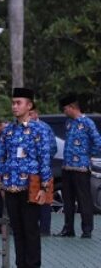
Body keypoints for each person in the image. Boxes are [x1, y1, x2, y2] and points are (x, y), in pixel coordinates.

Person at [0, 88, 51, 268]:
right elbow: (3, 157)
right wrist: (2, 183)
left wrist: (45, 188)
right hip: (12, 186)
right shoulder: (8, 130)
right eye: (13, 103)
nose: (14, 106)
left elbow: (44, 159)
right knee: (18, 232)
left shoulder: (39, 129)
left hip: (31, 187)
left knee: (31, 231)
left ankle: (33, 265)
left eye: (18, 103)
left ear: (29, 105)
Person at [56, 94, 101, 239]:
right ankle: (68, 228)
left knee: (84, 199)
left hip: (81, 167)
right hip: (67, 166)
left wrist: (87, 154)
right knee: (68, 200)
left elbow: (98, 143)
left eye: (65, 109)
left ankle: (87, 229)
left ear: (72, 107)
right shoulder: (69, 123)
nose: (64, 112)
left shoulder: (87, 123)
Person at [29, 107, 58, 236]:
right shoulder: (23, 127)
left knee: (45, 199)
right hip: (29, 170)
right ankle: (32, 228)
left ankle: (45, 229)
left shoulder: (45, 128)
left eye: (31, 113)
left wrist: (43, 159)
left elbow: (53, 148)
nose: (29, 116)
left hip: (43, 168)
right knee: (30, 199)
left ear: (36, 113)